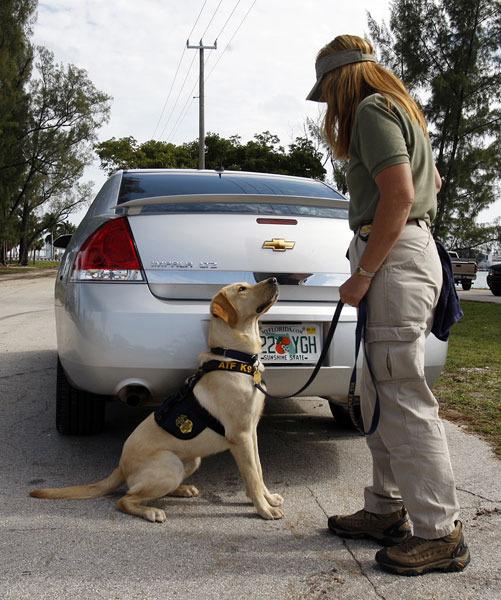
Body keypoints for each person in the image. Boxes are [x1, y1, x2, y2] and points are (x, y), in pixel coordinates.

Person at [306, 34, 470, 576]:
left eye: (328, 91)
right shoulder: (403, 111)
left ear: (341, 80)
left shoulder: (373, 110)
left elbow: (399, 196)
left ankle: (438, 533)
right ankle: (386, 509)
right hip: (401, 249)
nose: (329, 105)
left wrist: (365, 273)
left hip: (393, 256)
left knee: (401, 395)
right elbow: (433, 182)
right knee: (379, 389)